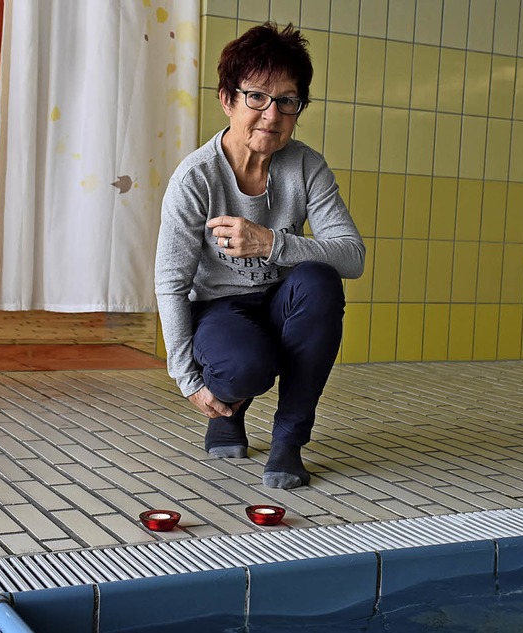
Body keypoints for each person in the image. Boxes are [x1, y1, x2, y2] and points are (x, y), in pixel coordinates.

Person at [155, 22, 365, 490]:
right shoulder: (196, 178)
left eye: (287, 101)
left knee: (320, 279)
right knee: (242, 366)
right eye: (256, 97)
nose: (272, 114)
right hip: (220, 309)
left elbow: (352, 256)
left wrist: (271, 243)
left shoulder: (307, 165)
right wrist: (188, 380)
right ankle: (230, 410)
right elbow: (170, 283)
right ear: (227, 99)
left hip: (282, 302)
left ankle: (288, 442)